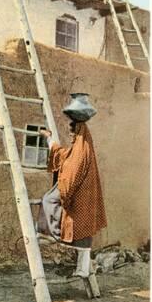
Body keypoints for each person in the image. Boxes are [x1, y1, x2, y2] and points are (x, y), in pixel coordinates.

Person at [37, 114, 107, 278]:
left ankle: (55, 233)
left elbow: (71, 171)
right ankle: (83, 270)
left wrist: (65, 193)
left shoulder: (81, 151)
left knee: (49, 200)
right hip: (85, 198)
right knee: (83, 232)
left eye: (72, 133)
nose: (70, 136)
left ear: (78, 133)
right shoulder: (82, 148)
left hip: (80, 196)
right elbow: (64, 155)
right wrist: (50, 139)